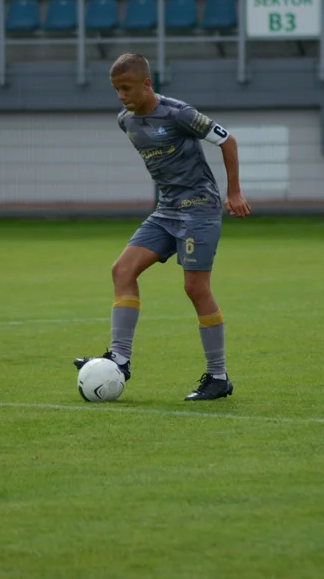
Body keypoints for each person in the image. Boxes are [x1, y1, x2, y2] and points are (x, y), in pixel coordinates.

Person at [74, 53, 251, 401]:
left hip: (199, 209)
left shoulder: (178, 113)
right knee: (122, 270)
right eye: (116, 89)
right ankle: (119, 359)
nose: (121, 95)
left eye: (126, 87)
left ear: (147, 83)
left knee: (195, 288)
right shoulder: (126, 121)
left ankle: (218, 377)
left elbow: (227, 140)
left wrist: (234, 191)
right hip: (167, 211)